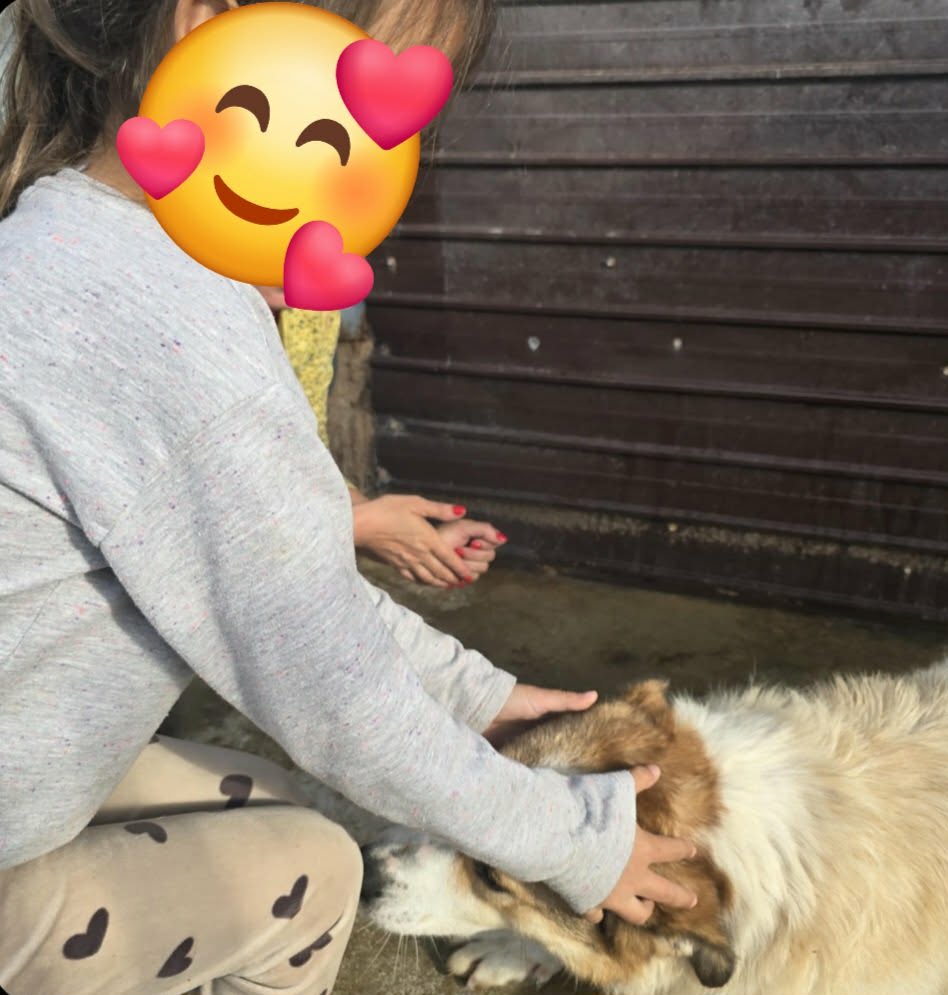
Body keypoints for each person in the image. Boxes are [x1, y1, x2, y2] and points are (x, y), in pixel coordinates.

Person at [0, 3, 699, 995]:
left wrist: (473, 695)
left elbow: (291, 596)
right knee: (316, 871)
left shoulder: (68, 239)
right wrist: (576, 842)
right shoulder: (177, 335)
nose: (381, 176)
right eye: (368, 121)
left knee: (275, 799)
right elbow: (337, 701)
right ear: (214, 25)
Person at [263, 291, 508, 588]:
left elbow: (303, 453)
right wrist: (362, 527)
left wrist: (413, 539)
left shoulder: (311, 310)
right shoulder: (209, 323)